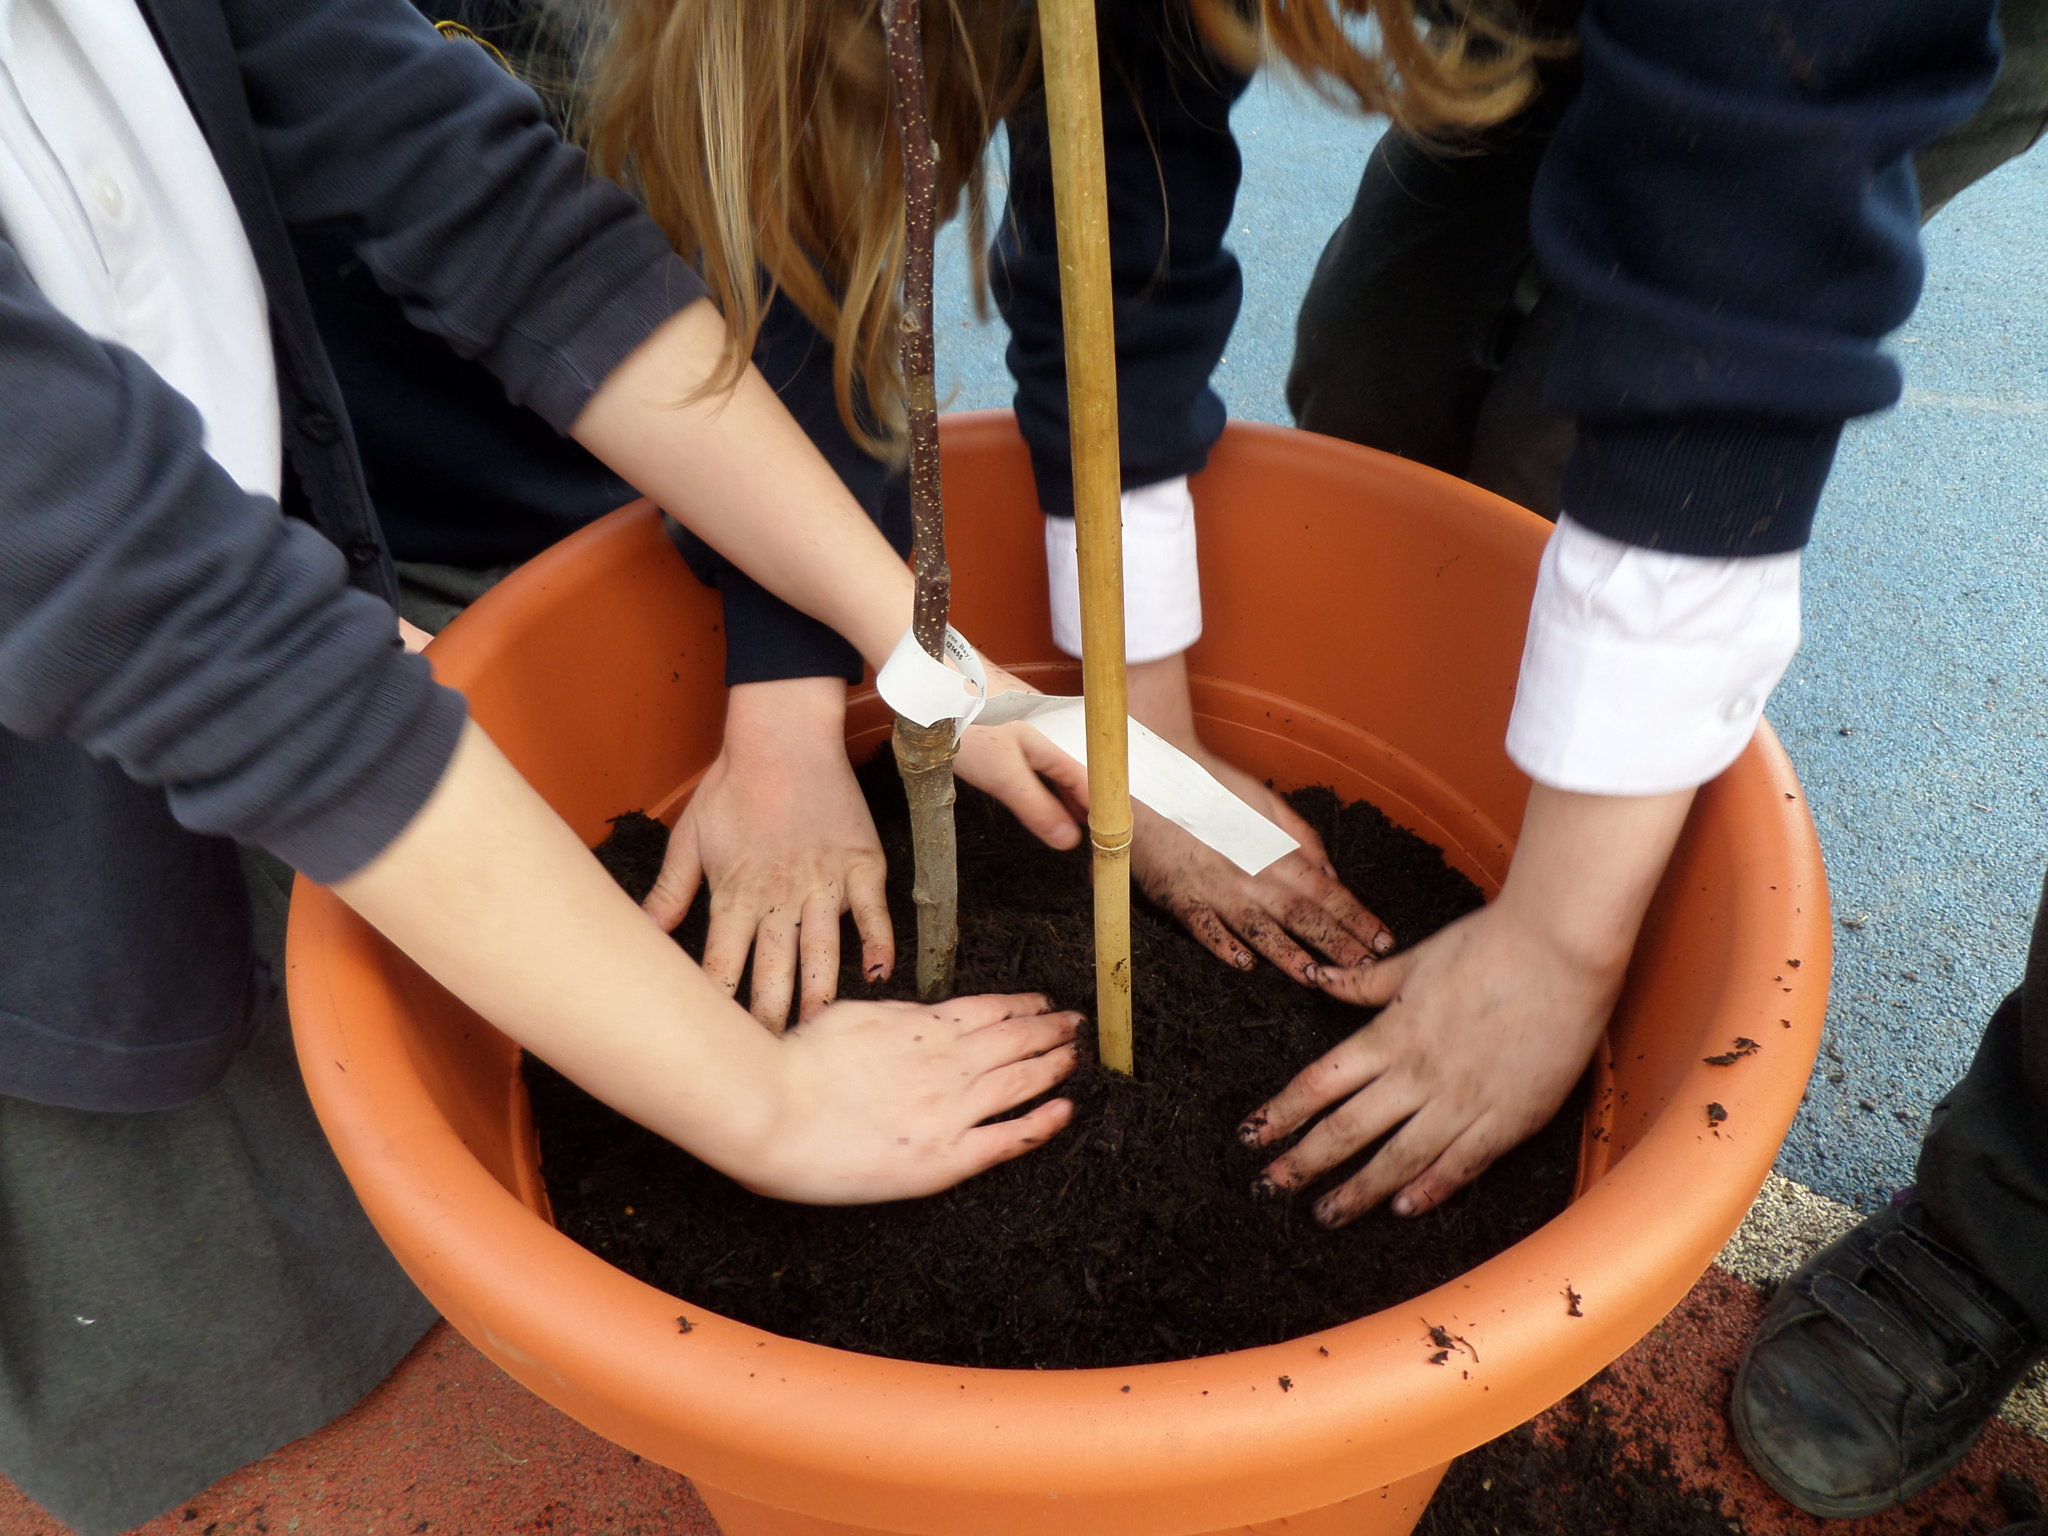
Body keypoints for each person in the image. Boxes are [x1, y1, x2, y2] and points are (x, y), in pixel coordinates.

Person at [0, 2, 1091, 1530]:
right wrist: (762, 1104)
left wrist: (921, 664)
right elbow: (175, 615)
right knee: (190, 1230)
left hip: (243, 593)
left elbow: (501, 219)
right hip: (46, 786)